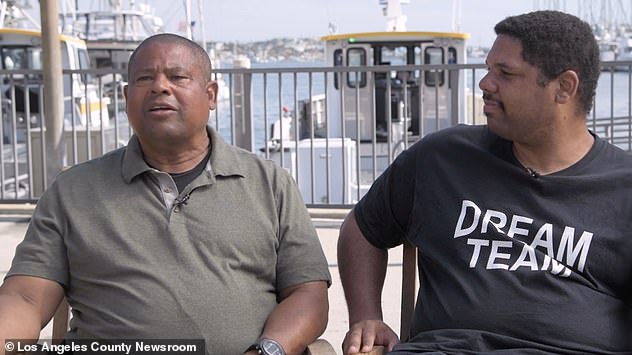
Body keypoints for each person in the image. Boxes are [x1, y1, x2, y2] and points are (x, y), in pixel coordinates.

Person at [0, 33, 331, 355]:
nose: (160, 86)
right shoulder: (72, 190)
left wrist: (268, 351)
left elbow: (308, 295)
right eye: (145, 78)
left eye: (178, 76)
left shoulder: (269, 183)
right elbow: (26, 298)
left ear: (211, 95)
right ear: (128, 97)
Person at [338, 10, 632, 355]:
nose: (485, 84)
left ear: (564, 87)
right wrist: (366, 316)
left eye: (504, 74)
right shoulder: (442, 158)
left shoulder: (622, 190)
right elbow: (362, 228)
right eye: (488, 69)